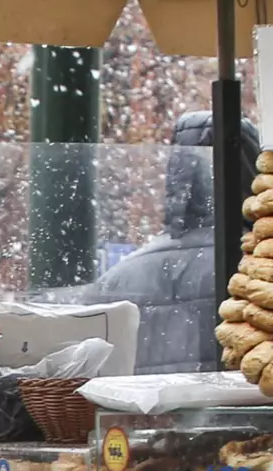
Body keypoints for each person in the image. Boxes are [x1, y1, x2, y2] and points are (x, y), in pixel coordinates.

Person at [75, 110, 262, 373]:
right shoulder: (264, 270)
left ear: (177, 172)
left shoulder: (120, 276)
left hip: (145, 414)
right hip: (246, 413)